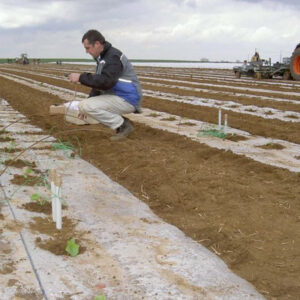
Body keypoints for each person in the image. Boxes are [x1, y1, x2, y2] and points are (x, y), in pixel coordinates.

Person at [68, 29, 142, 141]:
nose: (86, 52)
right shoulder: (103, 58)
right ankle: (121, 123)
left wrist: (80, 77)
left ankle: (123, 126)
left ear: (97, 44)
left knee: (86, 105)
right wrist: (86, 107)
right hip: (120, 96)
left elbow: (106, 82)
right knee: (85, 106)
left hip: (127, 98)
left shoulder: (113, 57)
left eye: (87, 48)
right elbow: (98, 84)